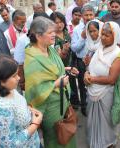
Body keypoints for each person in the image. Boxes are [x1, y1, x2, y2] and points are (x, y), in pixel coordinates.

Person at [24, 16, 78, 148]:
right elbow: (35, 88)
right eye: (50, 32)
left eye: (53, 31)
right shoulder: (33, 59)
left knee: (67, 133)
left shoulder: (50, 49)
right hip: (49, 107)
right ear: (38, 35)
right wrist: (56, 84)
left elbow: (53, 69)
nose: (54, 34)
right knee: (56, 138)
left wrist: (66, 68)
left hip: (63, 100)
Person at [0, 55, 42, 147]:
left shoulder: (8, 89)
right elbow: (10, 144)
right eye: (14, 76)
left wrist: (29, 110)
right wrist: (35, 124)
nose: (18, 78)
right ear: (0, 80)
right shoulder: (1, 109)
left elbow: (16, 106)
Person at [84, 21, 120, 148]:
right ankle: (95, 142)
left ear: (115, 36)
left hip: (106, 94)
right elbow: (91, 67)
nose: (102, 37)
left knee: (106, 122)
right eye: (102, 34)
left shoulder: (119, 54)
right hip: (92, 91)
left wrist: (92, 79)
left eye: (107, 35)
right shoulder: (99, 49)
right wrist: (86, 73)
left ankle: (107, 143)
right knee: (93, 121)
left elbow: (112, 79)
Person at [71, 4, 95, 116]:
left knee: (94, 82)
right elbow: (74, 48)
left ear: (94, 15)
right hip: (81, 62)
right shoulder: (77, 30)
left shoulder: (99, 26)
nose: (89, 17)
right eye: (86, 15)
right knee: (82, 84)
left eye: (91, 14)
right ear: (82, 16)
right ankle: (84, 106)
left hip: (96, 61)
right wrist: (82, 37)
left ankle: (95, 106)